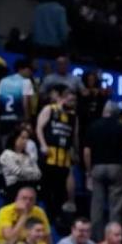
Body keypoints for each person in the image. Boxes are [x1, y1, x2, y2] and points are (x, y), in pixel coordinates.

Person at [84, 102, 122, 241]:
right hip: (117, 168)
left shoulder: (93, 127)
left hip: (97, 168)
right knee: (115, 209)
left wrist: (88, 172)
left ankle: (96, 241)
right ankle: (113, 241)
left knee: (97, 207)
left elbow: (87, 152)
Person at [36, 86, 79, 217]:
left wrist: (76, 152)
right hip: (49, 156)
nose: (72, 104)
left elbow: (75, 137)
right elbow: (39, 128)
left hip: (64, 158)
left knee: (60, 191)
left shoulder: (73, 117)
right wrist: (43, 145)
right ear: (61, 98)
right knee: (46, 189)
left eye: (74, 101)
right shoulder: (50, 109)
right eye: (70, 100)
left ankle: (57, 216)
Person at [0, 58, 35, 149]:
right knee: (17, 147)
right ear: (21, 69)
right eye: (29, 69)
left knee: (4, 147)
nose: (31, 72)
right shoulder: (26, 81)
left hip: (3, 119)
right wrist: (28, 120)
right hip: (19, 121)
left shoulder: (3, 81)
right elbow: (26, 102)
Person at [0, 128, 41, 200]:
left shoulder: (29, 155)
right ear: (14, 138)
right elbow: (18, 172)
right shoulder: (6, 154)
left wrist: (25, 171)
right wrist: (31, 171)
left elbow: (38, 174)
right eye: (22, 138)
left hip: (30, 188)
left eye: (27, 138)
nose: (25, 141)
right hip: (14, 190)